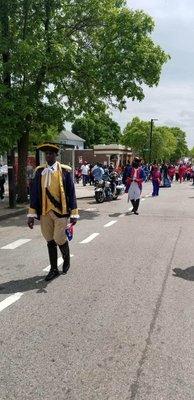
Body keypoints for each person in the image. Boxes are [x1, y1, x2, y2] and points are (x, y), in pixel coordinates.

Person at [27, 143, 79, 281]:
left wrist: (74, 213)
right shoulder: (39, 171)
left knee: (59, 238)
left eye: (51, 153)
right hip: (44, 212)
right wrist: (31, 215)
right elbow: (34, 194)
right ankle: (54, 269)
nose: (48, 156)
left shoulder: (65, 171)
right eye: (46, 154)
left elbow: (71, 192)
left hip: (60, 212)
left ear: (56, 155)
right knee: (49, 240)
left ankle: (66, 258)